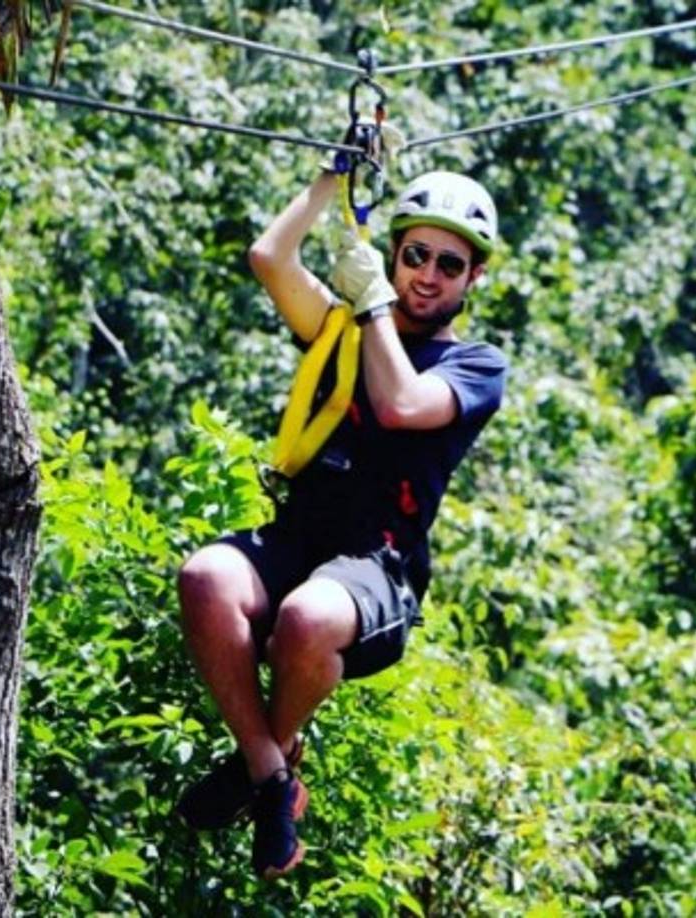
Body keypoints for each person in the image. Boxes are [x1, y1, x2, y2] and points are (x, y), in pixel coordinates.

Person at [174, 167, 508, 880]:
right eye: (413, 255)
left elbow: (403, 406)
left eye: (448, 265)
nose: (426, 275)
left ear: (472, 277)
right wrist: (333, 179)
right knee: (204, 577)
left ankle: (270, 758)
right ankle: (269, 774)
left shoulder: (475, 365)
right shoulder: (342, 332)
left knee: (305, 619)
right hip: (300, 535)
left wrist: (375, 306)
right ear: (393, 253)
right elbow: (270, 258)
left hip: (375, 566)